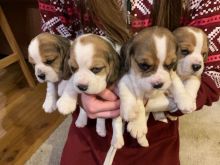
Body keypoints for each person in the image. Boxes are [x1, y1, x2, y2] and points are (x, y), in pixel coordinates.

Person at [37, 0, 220, 164]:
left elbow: (213, 76)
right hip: (90, 123)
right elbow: (53, 59)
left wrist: (154, 104)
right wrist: (78, 97)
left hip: (157, 128)